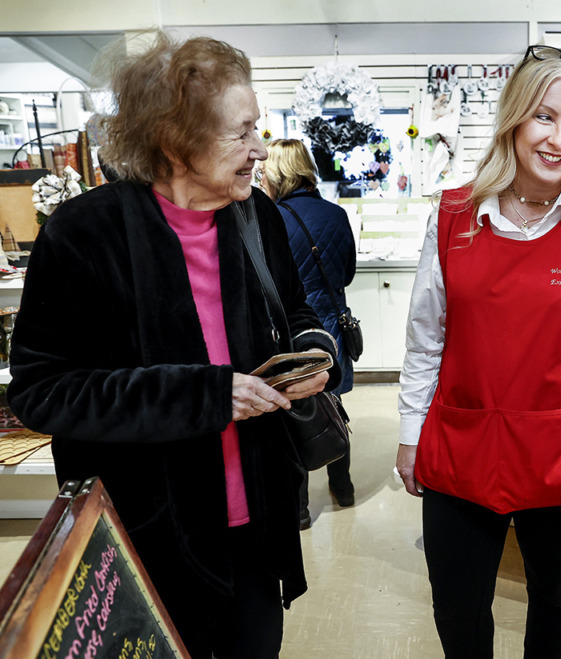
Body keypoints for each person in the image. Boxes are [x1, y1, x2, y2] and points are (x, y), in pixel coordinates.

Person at [7, 32, 341, 658]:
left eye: (258, 129)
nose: (258, 150)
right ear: (174, 140)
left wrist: (311, 352)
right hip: (146, 540)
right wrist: (203, 395)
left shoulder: (257, 217)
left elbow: (294, 309)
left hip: (256, 529)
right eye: (241, 133)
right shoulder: (85, 236)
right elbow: (42, 391)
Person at [396, 45, 561, 658]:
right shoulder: (454, 215)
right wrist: (411, 434)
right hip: (462, 447)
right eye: (545, 117)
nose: (559, 140)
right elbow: (426, 338)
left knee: (558, 598)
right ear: (514, 119)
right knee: (458, 608)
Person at [260, 138, 357, 519]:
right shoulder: (336, 214)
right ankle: (343, 488)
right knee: (334, 404)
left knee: (292, 408)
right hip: (330, 327)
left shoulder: (271, 218)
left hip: (288, 330)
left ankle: (299, 508)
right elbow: (346, 272)